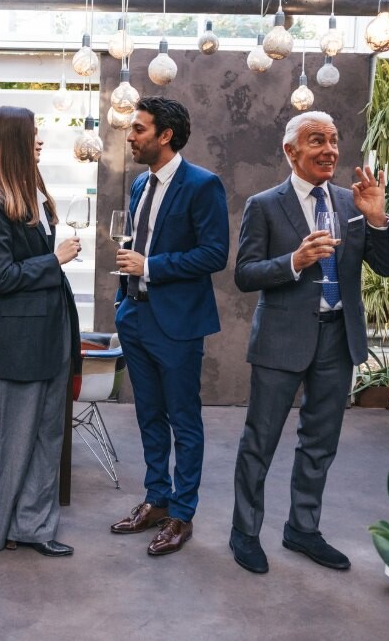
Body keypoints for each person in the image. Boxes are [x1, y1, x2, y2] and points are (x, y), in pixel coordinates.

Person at [228, 111, 389, 575]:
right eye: (316, 141)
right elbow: (245, 275)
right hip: (281, 339)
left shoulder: (354, 202)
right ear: (291, 151)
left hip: (337, 339)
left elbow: (387, 267)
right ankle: (245, 532)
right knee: (259, 441)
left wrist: (379, 217)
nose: (329, 149)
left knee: (320, 443)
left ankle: (302, 529)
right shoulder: (265, 205)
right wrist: (295, 260)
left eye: (334, 139)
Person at [110, 96, 229, 556]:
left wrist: (149, 265)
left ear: (165, 136)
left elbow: (214, 254)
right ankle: (156, 499)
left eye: (139, 129)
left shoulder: (203, 185)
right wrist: (126, 296)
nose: (130, 136)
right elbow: (135, 243)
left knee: (184, 420)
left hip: (177, 324)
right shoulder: (140, 184)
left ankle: (182, 514)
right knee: (148, 416)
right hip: (136, 317)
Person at [0, 106, 81, 557]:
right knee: (12, 437)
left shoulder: (35, 191)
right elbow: (3, 276)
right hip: (20, 339)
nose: (40, 141)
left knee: (48, 436)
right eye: (33, 134)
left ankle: (34, 527)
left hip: (54, 330)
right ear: (13, 140)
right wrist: (54, 259)